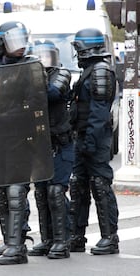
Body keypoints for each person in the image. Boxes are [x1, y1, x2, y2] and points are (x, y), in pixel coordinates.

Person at [0, 21, 35, 265]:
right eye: (14, 41)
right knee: (0, 191)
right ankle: (8, 240)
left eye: (22, 40)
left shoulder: (31, 67)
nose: (20, 46)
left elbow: (35, 106)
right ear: (2, 43)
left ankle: (18, 246)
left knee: (16, 191)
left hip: (21, 138)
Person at [69, 28, 119, 255]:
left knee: (100, 185)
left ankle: (110, 237)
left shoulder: (100, 72)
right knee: (78, 186)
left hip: (95, 140)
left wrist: (89, 142)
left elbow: (98, 114)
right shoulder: (90, 70)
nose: (77, 53)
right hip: (83, 136)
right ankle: (77, 236)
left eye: (78, 48)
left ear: (87, 48)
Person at [27, 40, 73, 259]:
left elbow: (52, 94)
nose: (43, 60)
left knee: (56, 192)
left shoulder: (61, 75)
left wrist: (38, 76)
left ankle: (61, 241)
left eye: (46, 56)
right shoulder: (30, 80)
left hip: (60, 144)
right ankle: (46, 239)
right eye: (38, 57)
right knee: (41, 192)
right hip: (39, 145)